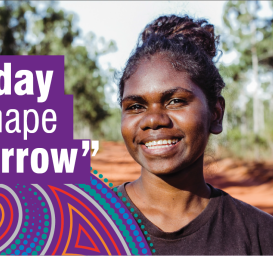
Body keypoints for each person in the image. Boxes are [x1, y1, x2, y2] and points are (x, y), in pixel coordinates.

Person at [116, 15, 273, 255]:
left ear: (216, 114)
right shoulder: (81, 224)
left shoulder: (260, 234)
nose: (153, 119)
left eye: (176, 101)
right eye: (136, 106)